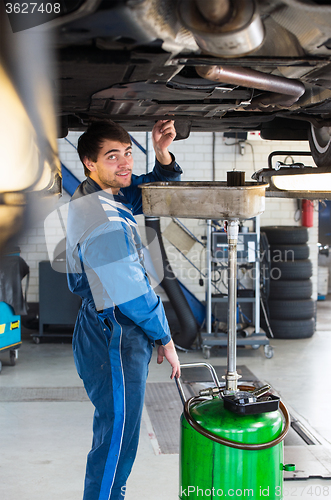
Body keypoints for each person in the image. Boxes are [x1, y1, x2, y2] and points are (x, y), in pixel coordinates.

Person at [66, 119, 181, 500]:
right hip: (113, 330)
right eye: (112, 156)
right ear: (89, 162)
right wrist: (164, 338)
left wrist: (162, 155)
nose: (125, 163)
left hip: (108, 327)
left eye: (129, 153)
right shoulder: (101, 216)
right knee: (116, 440)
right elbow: (129, 291)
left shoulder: (103, 195)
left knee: (119, 433)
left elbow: (159, 191)